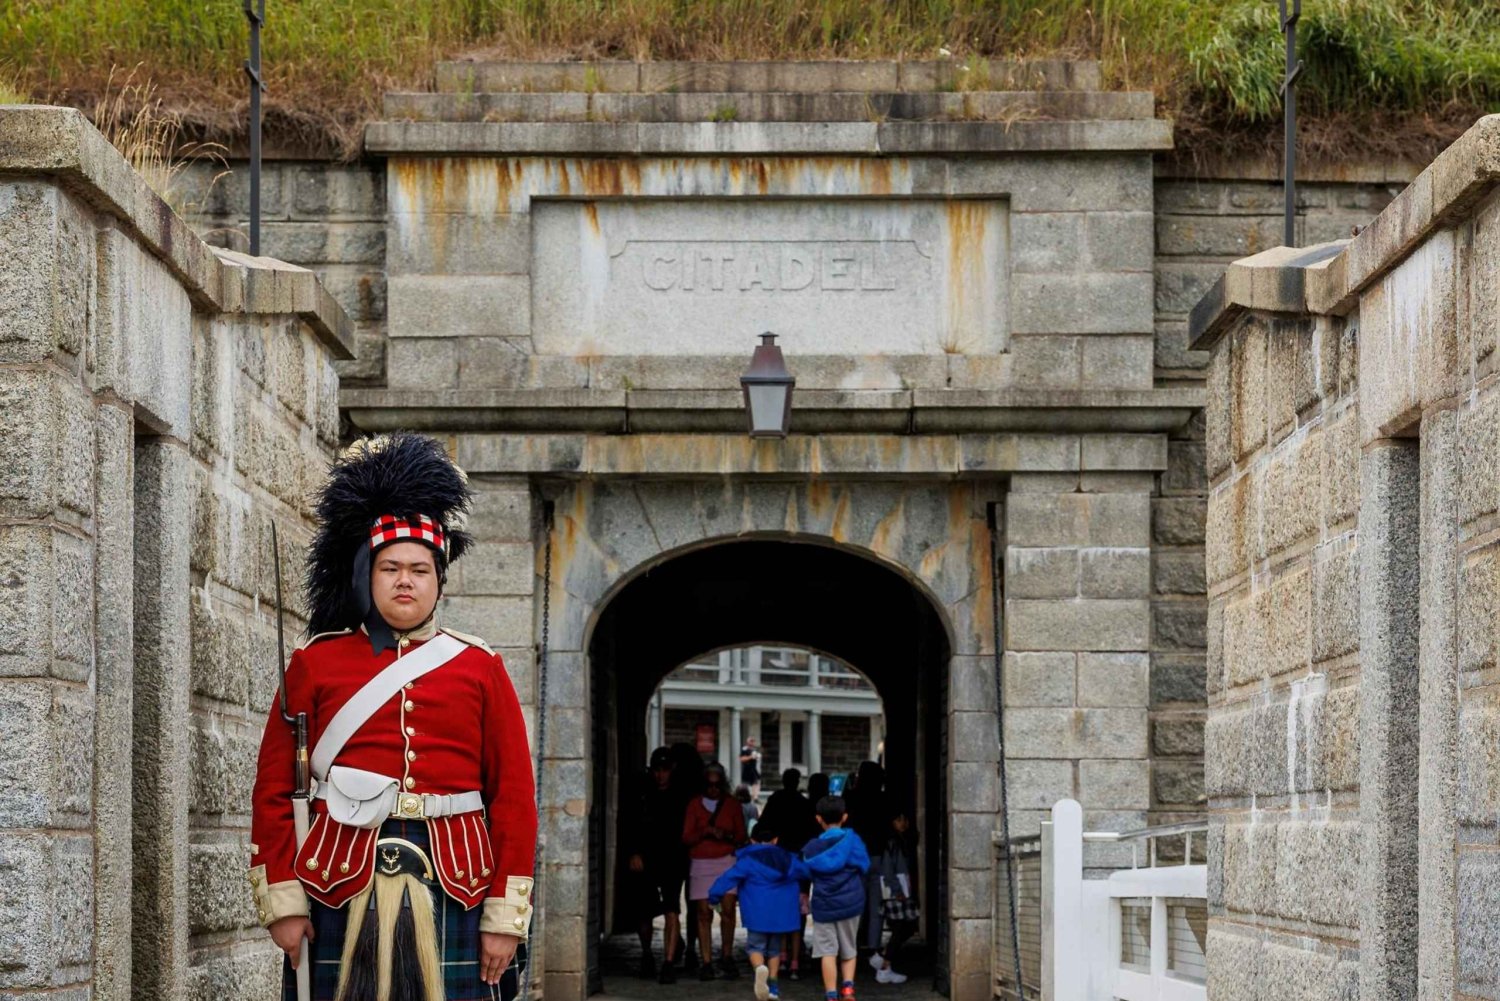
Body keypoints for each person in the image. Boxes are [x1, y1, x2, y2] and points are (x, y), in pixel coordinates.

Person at [248, 433, 536, 1001]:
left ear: (439, 581)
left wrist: (504, 914)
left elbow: (513, 798)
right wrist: (282, 901)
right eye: (390, 568)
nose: (405, 580)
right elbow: (274, 790)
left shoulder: (481, 666)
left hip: (459, 883)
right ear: (368, 577)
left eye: (420, 570)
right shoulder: (315, 662)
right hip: (337, 881)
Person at [708, 824, 802, 1001]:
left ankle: (759, 969)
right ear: (775, 840)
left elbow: (726, 879)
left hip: (756, 913)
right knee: (774, 949)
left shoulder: (748, 861)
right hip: (781, 915)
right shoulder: (789, 859)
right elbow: (807, 871)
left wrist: (713, 898)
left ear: (752, 840)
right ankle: (773, 988)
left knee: (755, 947)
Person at [623, 748, 691, 982]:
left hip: (673, 860)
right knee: (644, 912)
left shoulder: (682, 796)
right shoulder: (642, 794)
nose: (661, 775)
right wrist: (633, 852)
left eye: (665, 770)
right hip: (646, 860)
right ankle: (647, 954)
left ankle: (669, 962)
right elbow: (629, 823)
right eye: (657, 770)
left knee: (672, 909)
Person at [801, 795, 870, 1001]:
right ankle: (848, 990)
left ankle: (831, 995)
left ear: (818, 819)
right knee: (849, 947)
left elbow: (806, 873)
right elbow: (865, 865)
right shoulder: (853, 840)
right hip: (850, 902)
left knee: (827, 951)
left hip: (824, 904)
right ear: (845, 817)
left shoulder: (812, 848)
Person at [684, 761, 748, 980]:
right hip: (701, 862)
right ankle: (707, 961)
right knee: (703, 913)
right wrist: (705, 831)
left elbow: (741, 836)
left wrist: (725, 835)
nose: (713, 789)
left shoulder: (731, 805)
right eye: (709, 785)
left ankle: (727, 956)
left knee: (728, 911)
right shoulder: (694, 805)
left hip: (726, 861)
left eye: (717, 785)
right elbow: (686, 837)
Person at [757, 769, 818, 979]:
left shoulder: (776, 800)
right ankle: (796, 945)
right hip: (800, 860)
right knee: (799, 905)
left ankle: (782, 953)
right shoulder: (804, 804)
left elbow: (763, 826)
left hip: (781, 859)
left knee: (782, 904)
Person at [845, 761, 890, 959]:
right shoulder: (882, 799)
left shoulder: (852, 798)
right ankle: (874, 945)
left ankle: (852, 943)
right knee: (877, 906)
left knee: (856, 904)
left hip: (856, 857)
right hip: (878, 855)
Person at [868, 812, 918, 984]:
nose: (903, 823)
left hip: (902, 890)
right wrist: (897, 889)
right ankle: (884, 966)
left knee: (906, 927)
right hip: (897, 892)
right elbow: (888, 870)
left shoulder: (901, 841)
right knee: (900, 928)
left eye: (905, 819)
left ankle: (882, 959)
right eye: (899, 819)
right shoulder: (892, 843)